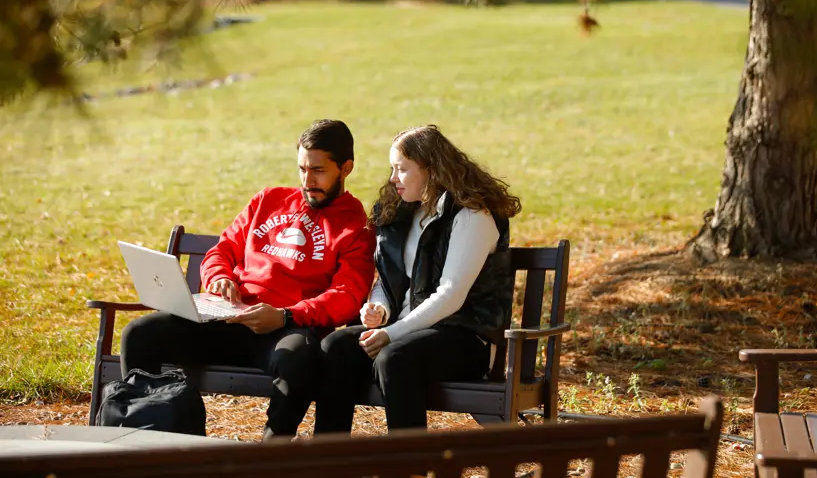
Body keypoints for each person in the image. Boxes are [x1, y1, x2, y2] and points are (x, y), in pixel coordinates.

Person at [120, 119, 376, 438]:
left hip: (285, 329)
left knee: (299, 362)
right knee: (140, 334)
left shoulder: (355, 227)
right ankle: (146, 440)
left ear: (346, 167)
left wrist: (285, 315)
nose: (307, 180)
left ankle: (268, 455)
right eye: (302, 169)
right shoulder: (268, 200)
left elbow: (347, 295)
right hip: (229, 319)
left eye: (318, 170)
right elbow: (222, 250)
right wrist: (218, 278)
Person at [313, 124, 522, 433]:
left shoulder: (472, 215)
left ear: (431, 169)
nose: (393, 178)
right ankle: (329, 460)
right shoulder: (401, 214)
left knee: (394, 357)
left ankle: (408, 464)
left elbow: (451, 294)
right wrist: (379, 308)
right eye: (392, 169)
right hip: (408, 331)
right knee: (336, 345)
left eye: (402, 169)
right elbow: (388, 280)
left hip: (465, 337)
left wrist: (391, 333)